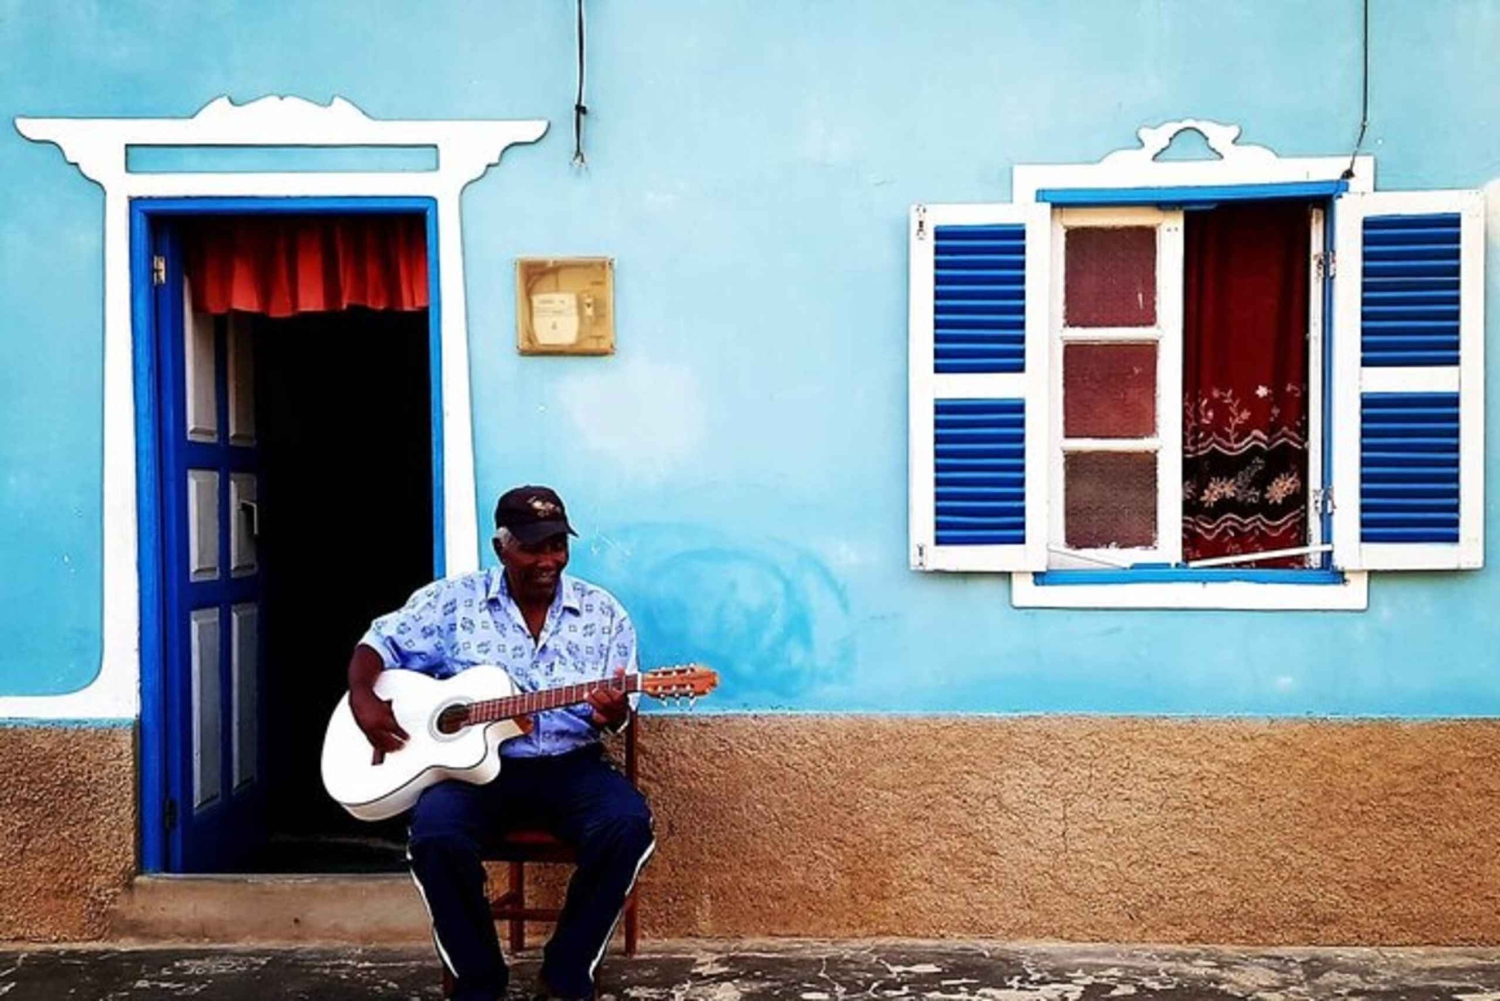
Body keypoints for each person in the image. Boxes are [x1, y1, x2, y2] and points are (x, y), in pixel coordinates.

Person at [347, 485, 653, 1001]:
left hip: (569, 766)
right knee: (434, 837)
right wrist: (362, 697)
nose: (547, 560)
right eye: (533, 547)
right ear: (501, 548)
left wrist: (614, 712)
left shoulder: (604, 614)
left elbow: (616, 715)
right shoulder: (451, 603)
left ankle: (565, 972)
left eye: (557, 545)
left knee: (627, 825)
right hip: (471, 776)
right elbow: (378, 642)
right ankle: (479, 978)